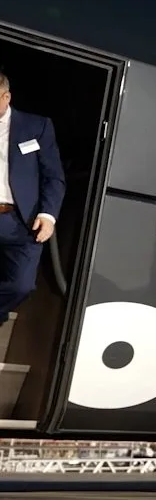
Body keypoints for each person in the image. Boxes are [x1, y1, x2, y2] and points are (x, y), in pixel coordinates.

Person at [0, 72, 64, 323]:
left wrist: (48, 216)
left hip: (21, 221)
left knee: (22, 286)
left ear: (6, 97)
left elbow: (53, 176)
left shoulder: (36, 127)